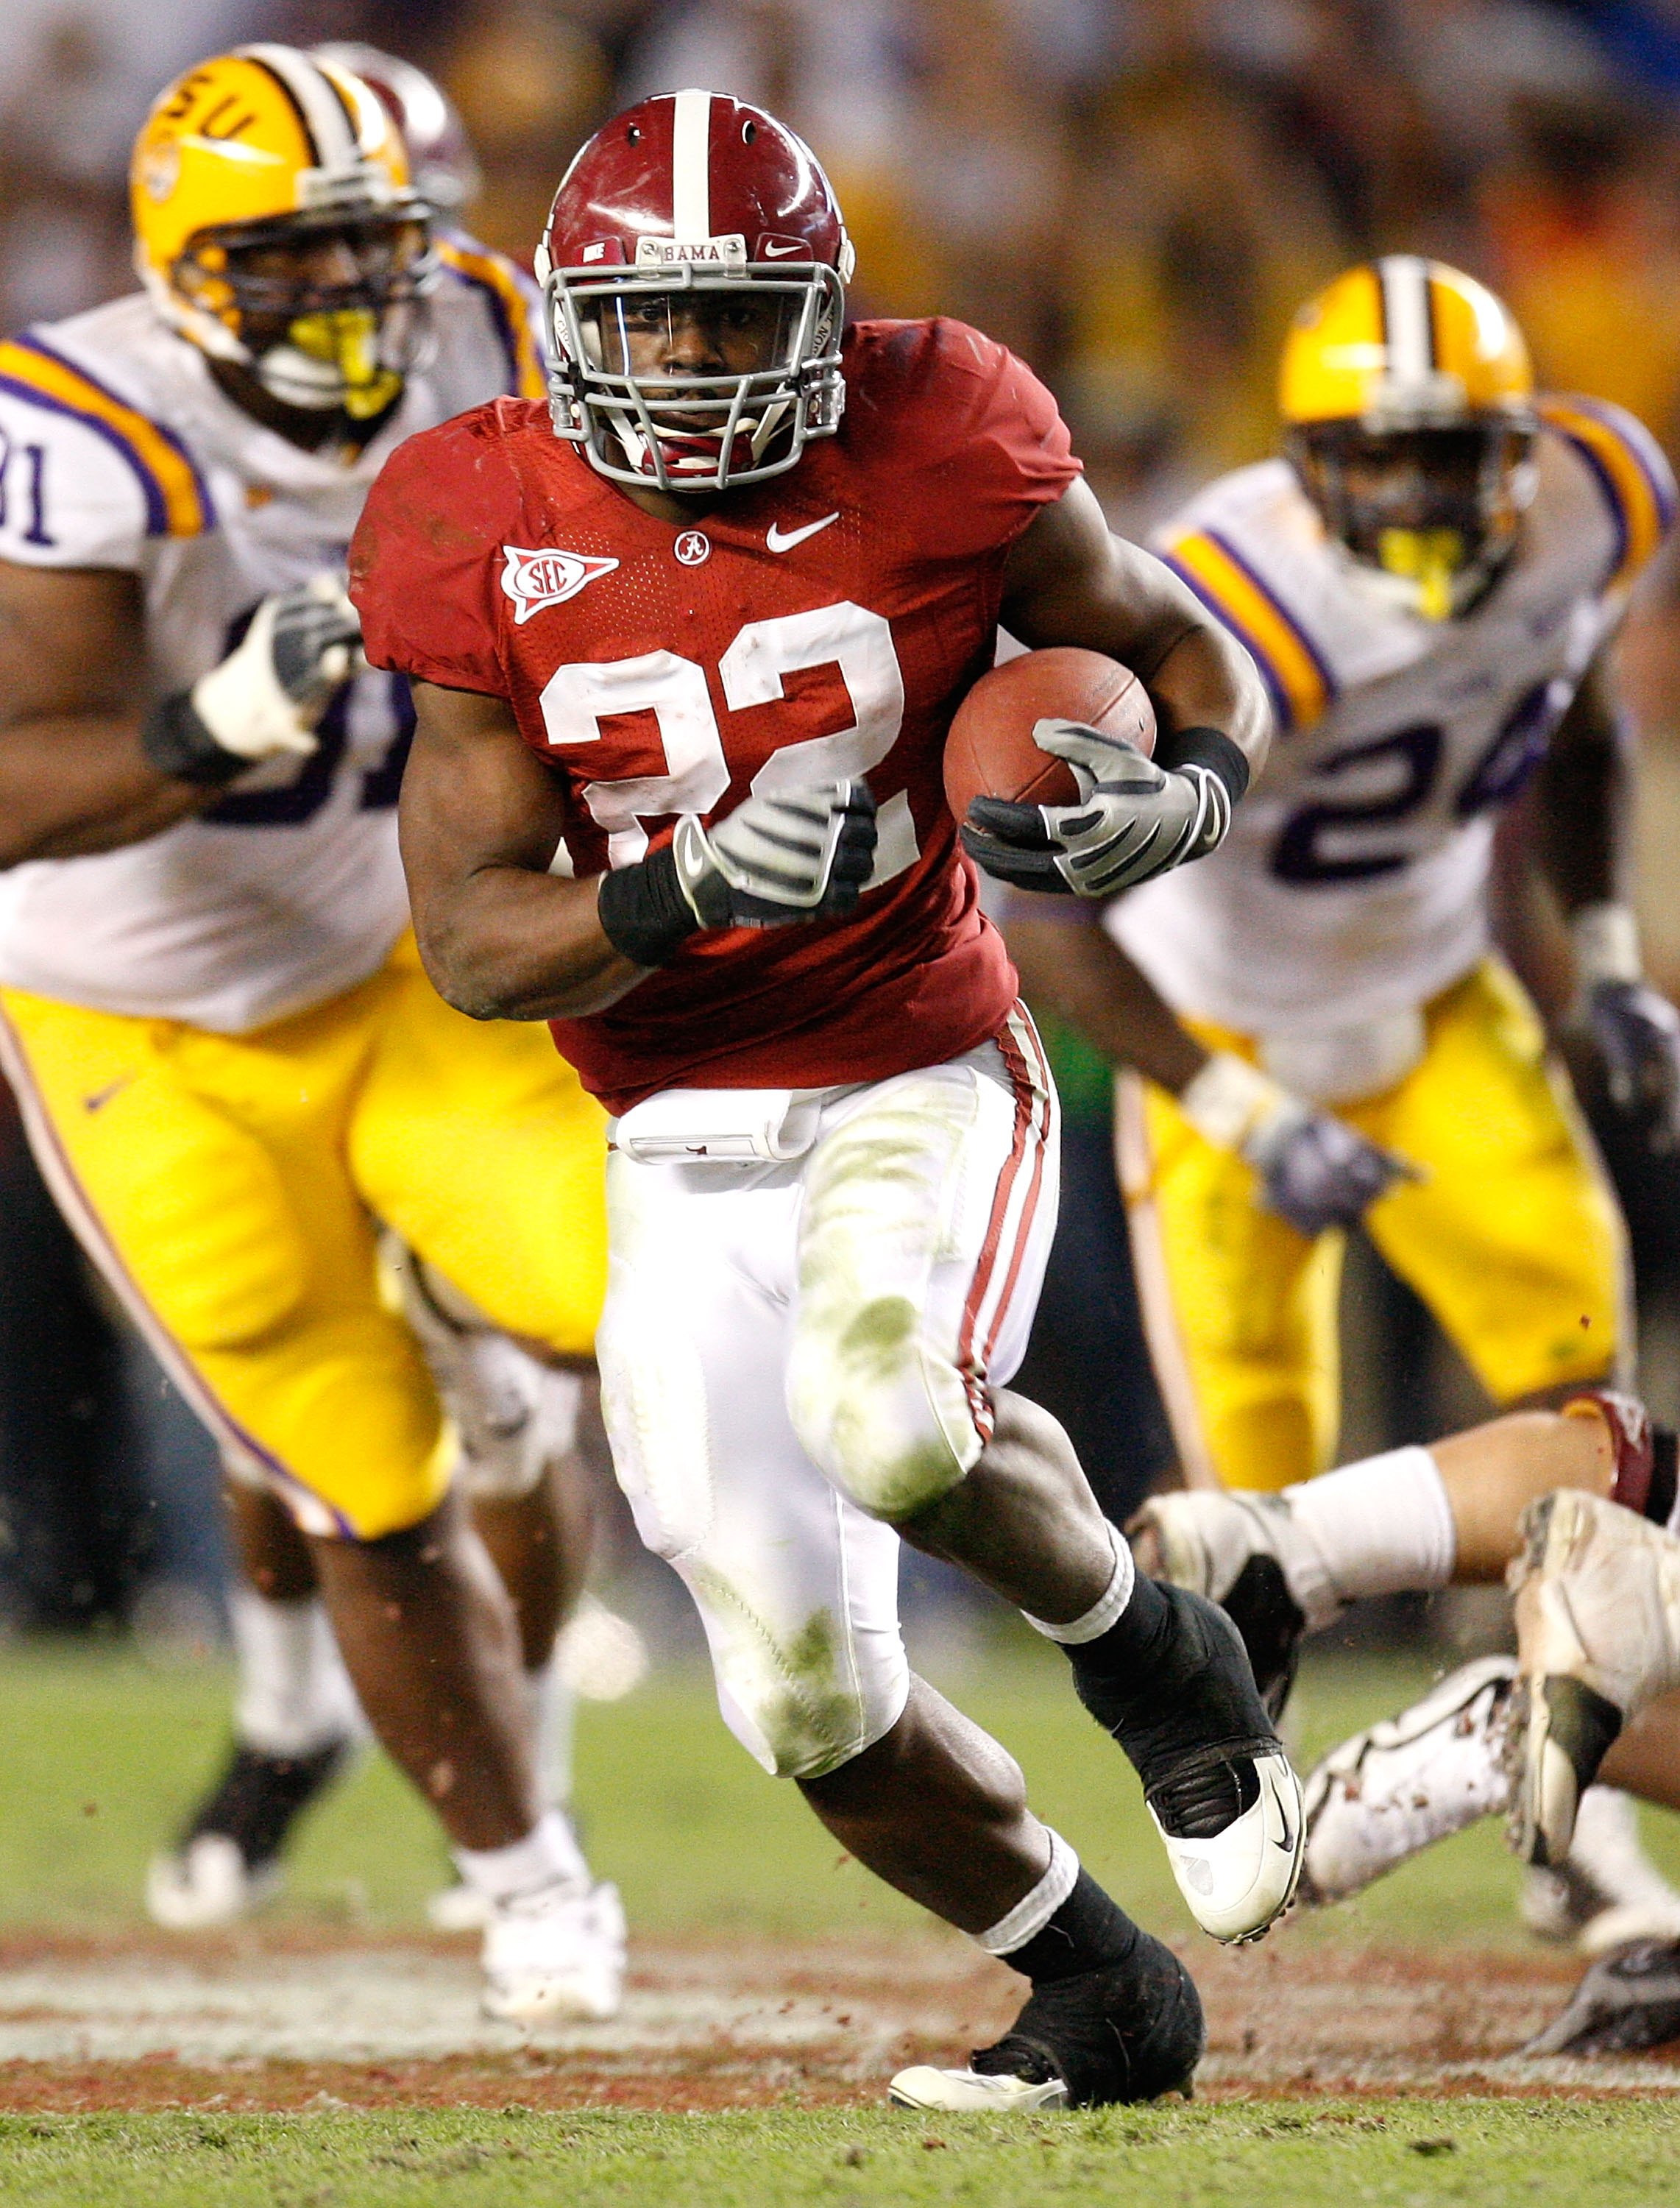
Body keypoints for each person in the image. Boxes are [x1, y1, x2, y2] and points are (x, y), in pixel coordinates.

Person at [352, 88, 1299, 2113]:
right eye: (656, 320)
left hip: (914, 1057)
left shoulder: (943, 426)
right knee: (796, 1692)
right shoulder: (463, 515)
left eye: (737, 317)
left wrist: (1186, 789)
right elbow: (470, 945)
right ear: (565, 320)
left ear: (824, 314)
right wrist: (683, 887)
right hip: (666, 1126)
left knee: (890, 1418)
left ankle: (1151, 1656)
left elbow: (1167, 647)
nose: (694, 365)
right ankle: (1098, 1993)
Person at [0, 43, 620, 2021]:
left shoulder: (501, 330)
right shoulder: (84, 428)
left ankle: (520, 1707)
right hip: (144, 1015)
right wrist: (205, 728)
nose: (350, 300)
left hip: (409, 951)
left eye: (379, 251)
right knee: (360, 1470)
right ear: (184, 266)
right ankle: (527, 1877)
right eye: (290, 263)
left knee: (626, 1299)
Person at [1010, 255, 1679, 1501]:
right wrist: (1238, 1113)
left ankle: (1572, 1688)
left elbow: (1582, 726)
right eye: (1378, 460)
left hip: (1439, 1000)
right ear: (1310, 465)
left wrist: (1605, 961)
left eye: (1450, 456)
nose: (1418, 496)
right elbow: (1042, 909)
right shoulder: (1233, 610)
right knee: (1251, 1513)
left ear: (1521, 450)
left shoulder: (1601, 505)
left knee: (1592, 1410)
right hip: (1224, 1029)